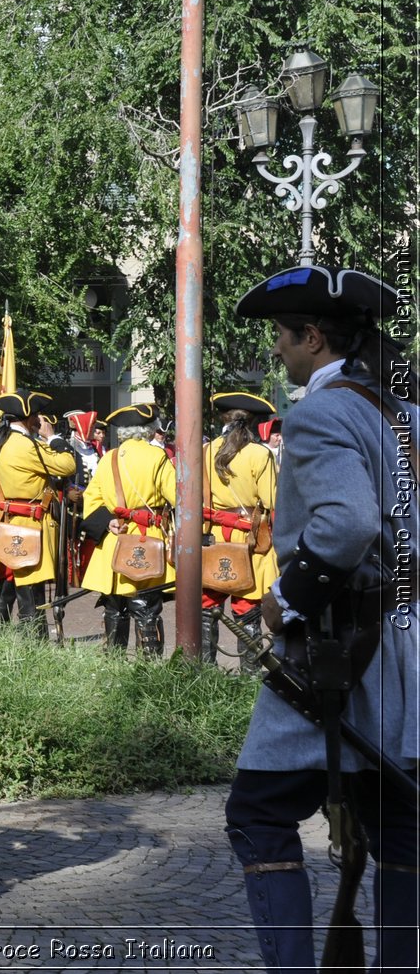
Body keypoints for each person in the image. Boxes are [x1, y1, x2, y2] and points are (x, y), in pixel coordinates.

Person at [223, 264, 418, 974]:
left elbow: (347, 523)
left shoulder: (321, 410)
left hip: (345, 650)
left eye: (281, 336)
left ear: (312, 337)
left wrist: (285, 598)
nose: (276, 349)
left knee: (259, 813)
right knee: (402, 827)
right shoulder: (405, 413)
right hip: (406, 654)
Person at [79, 403, 176, 656]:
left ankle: (114, 665)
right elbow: (177, 497)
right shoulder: (158, 456)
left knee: (114, 607)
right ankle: (149, 671)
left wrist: (108, 520)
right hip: (146, 538)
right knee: (146, 607)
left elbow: (91, 499)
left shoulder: (109, 457)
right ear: (149, 429)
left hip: (115, 539)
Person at [0, 392, 77, 638]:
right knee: (30, 591)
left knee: (2, 586)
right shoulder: (26, 445)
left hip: (2, 523)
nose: (39, 420)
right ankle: (33, 647)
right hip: (27, 526)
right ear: (28, 417)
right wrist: (52, 436)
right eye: (36, 415)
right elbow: (68, 465)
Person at [200, 391, 279, 670]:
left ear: (223, 418)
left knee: (207, 608)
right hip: (250, 540)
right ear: (253, 422)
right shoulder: (260, 453)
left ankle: (203, 674)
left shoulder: (205, 451)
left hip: (214, 538)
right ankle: (250, 678)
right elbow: (271, 501)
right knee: (247, 608)